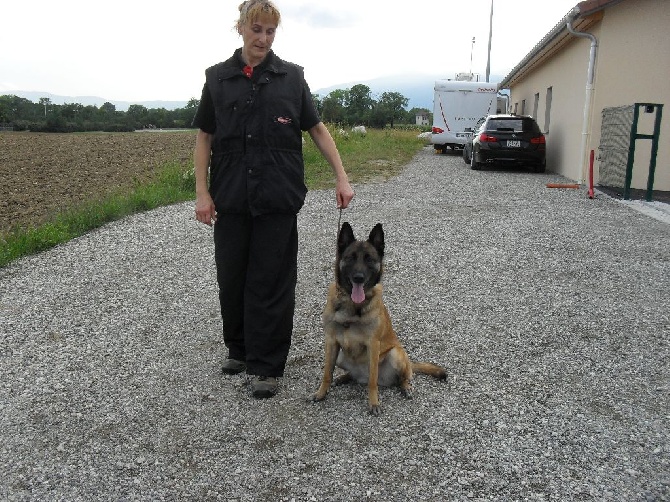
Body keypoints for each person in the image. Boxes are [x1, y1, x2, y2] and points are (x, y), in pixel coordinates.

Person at [192, 0, 354, 399]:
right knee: (232, 278)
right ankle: (240, 349)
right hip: (231, 196)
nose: (262, 38)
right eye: (256, 30)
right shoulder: (217, 79)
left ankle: (266, 367)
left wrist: (341, 176)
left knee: (272, 281)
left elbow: (316, 129)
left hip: (278, 196)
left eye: (270, 32)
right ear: (241, 28)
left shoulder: (291, 78)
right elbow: (204, 137)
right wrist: (202, 190)